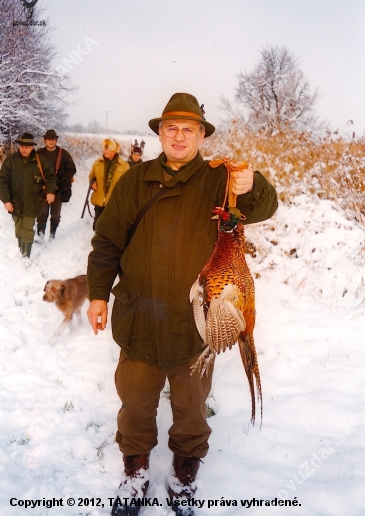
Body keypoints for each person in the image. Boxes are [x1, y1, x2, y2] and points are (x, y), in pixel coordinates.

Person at [86, 93, 278, 516]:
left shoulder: (218, 179)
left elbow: (263, 207)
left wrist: (252, 183)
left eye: (188, 129)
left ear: (201, 136)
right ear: (159, 132)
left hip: (198, 323)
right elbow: (107, 242)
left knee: (191, 411)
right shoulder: (134, 182)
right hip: (140, 318)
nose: (179, 136)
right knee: (135, 407)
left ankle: (183, 475)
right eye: (171, 128)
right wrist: (98, 293)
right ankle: (135, 474)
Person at [0, 132, 57, 259]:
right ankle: (21, 252)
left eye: (27, 147)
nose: (24, 149)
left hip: (33, 202)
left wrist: (51, 191)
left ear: (32, 148)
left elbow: (51, 177)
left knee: (27, 229)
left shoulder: (40, 161)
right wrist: (6, 200)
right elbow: (2, 180)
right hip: (15, 203)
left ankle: (26, 257)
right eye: (22, 146)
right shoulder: (11, 161)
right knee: (19, 229)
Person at [36, 129, 77, 240]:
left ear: (56, 140)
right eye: (49, 139)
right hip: (43, 189)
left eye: (53, 139)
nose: (51, 142)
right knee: (42, 213)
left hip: (58, 189)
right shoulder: (39, 153)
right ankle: (40, 235)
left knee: (55, 214)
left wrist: (63, 182)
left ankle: (52, 234)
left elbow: (72, 168)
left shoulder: (63, 153)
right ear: (45, 140)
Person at [88, 138, 129, 230]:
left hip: (113, 203)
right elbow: (91, 175)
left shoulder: (124, 166)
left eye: (108, 149)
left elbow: (127, 185)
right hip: (99, 200)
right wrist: (92, 183)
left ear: (115, 151)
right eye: (104, 148)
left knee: (110, 227)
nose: (105, 151)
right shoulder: (97, 163)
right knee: (97, 225)